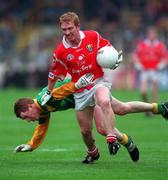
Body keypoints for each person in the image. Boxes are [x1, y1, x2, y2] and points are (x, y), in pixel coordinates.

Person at [14, 74, 168, 164]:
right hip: (84, 98)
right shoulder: (42, 109)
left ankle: (125, 141)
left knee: (103, 127)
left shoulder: (43, 100)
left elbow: (60, 90)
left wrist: (76, 85)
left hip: (87, 91)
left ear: (29, 106)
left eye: (25, 117)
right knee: (121, 108)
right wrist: (31, 145)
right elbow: (42, 128)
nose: (28, 120)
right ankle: (160, 109)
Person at [40, 12, 123, 161]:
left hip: (98, 82)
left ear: (78, 26)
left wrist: (115, 57)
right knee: (85, 131)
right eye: (64, 30)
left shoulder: (93, 36)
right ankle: (93, 152)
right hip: (80, 92)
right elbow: (53, 73)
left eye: (70, 28)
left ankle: (112, 139)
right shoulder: (60, 51)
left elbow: (107, 48)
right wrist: (48, 90)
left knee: (105, 102)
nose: (67, 32)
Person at [133, 27, 167, 116]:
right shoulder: (142, 45)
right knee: (143, 91)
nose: (152, 35)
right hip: (145, 70)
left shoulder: (160, 45)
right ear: (148, 35)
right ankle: (147, 108)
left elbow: (165, 57)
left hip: (155, 70)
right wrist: (138, 64)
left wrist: (161, 64)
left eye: (153, 34)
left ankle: (153, 111)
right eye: (150, 34)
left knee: (154, 91)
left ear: (156, 35)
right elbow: (136, 55)